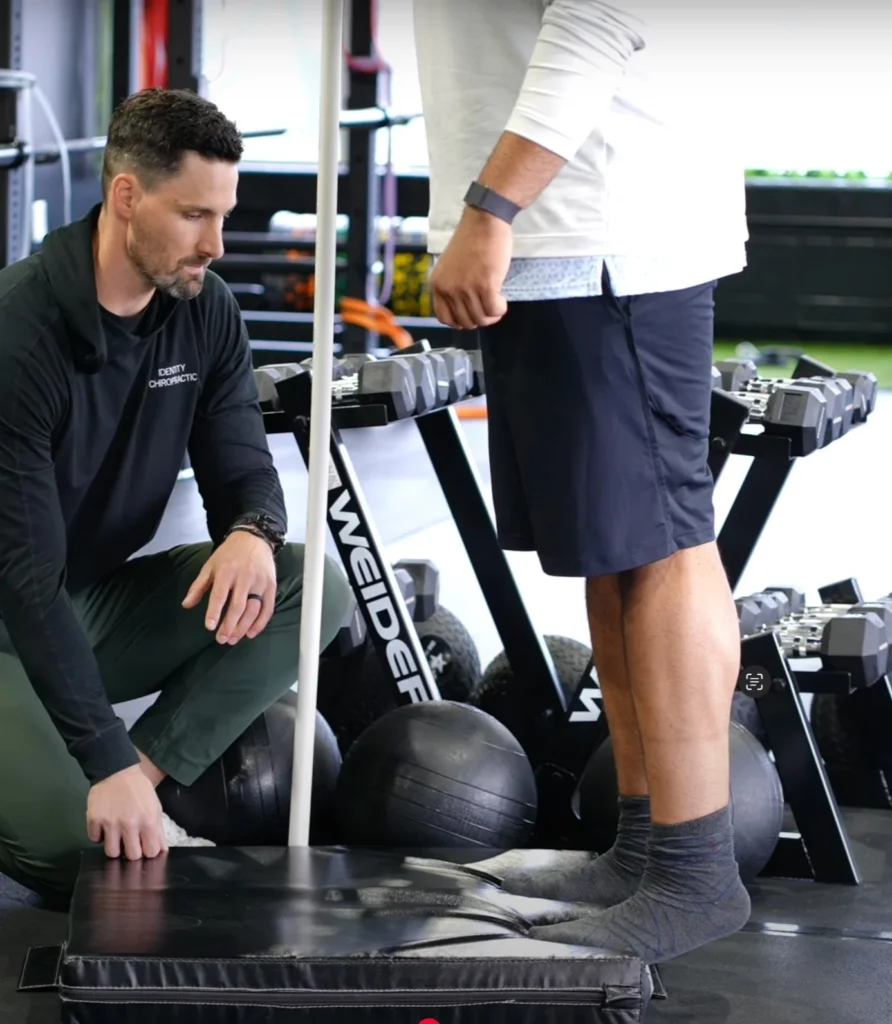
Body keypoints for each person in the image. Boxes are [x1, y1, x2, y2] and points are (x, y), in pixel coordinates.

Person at [413, 1, 750, 964]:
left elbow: (600, 17)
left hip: (604, 228)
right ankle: (644, 848)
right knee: (617, 552)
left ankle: (694, 875)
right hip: (553, 238)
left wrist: (492, 208)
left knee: (665, 543)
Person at [0, 88, 351, 904]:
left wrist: (253, 532)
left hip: (85, 603)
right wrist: (99, 756)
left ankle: (136, 783)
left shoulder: (204, 311)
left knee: (308, 586)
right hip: (11, 609)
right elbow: (23, 576)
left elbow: (243, 465)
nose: (216, 245)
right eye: (195, 215)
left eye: (223, 216)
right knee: (73, 857)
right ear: (127, 196)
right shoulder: (19, 332)